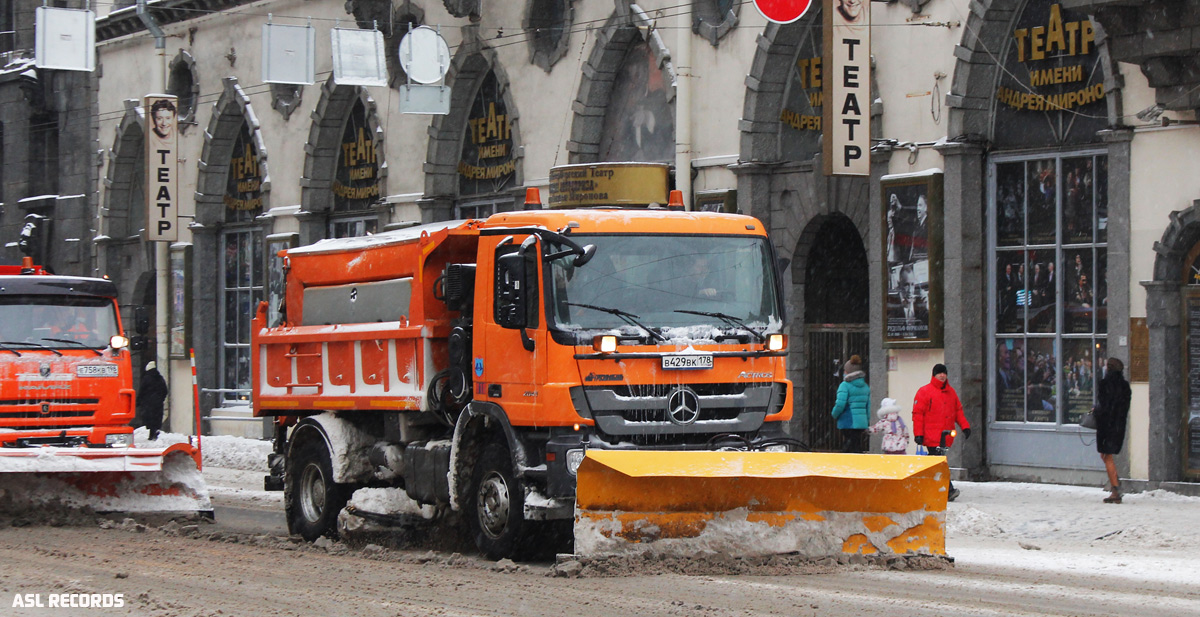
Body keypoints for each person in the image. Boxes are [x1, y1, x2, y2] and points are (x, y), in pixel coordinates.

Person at [913, 363, 971, 501]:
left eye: (944, 373)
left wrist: (965, 426)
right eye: (939, 373)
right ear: (934, 375)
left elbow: (958, 411)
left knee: (937, 463)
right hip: (931, 435)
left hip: (946, 436)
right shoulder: (924, 392)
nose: (942, 375)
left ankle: (929, 487)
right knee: (940, 463)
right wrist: (919, 434)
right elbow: (918, 414)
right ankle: (948, 490)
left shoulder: (951, 393)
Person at [1095, 357, 1131, 504]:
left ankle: (1115, 489)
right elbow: (1123, 408)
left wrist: (1097, 413)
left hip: (1106, 426)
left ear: (1108, 368)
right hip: (1118, 425)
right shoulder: (1124, 386)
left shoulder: (1105, 384)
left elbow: (1104, 407)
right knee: (1106, 455)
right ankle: (1115, 484)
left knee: (1106, 456)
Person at [831, 355, 870, 453]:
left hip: (848, 420)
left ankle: (847, 463)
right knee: (855, 444)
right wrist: (866, 420)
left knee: (849, 446)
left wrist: (834, 414)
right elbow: (868, 406)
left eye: (844, 371)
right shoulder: (865, 386)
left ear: (848, 372)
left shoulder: (844, 386)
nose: (843, 373)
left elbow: (840, 404)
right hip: (861, 421)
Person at [135, 361, 169, 441]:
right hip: (158, 403)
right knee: (156, 418)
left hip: (148, 403)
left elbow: (142, 391)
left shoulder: (146, 378)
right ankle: (155, 432)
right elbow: (165, 390)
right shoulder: (160, 378)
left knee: (149, 419)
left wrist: (138, 401)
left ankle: (151, 434)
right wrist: (160, 399)